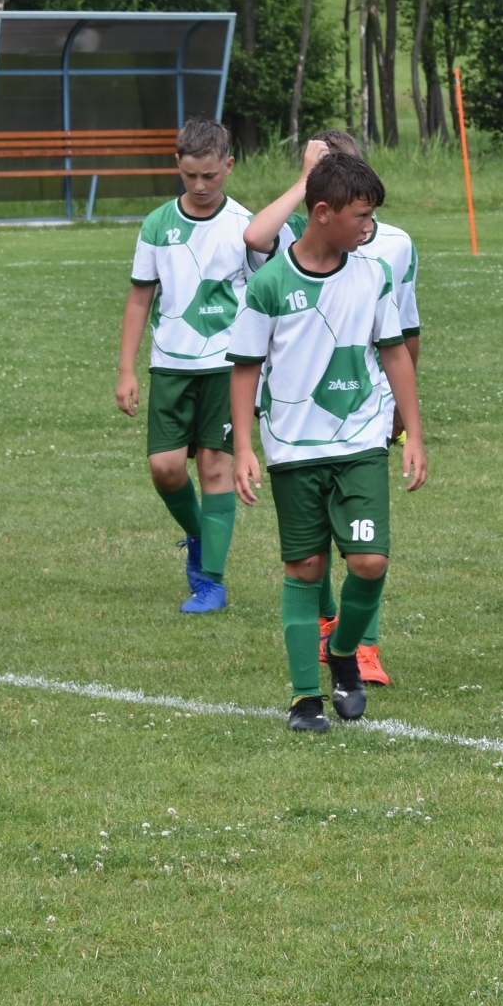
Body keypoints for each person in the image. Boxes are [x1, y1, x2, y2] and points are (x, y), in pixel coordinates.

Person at [228, 149, 427, 733]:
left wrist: (413, 431)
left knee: (369, 561)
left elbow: (395, 353)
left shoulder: (373, 274)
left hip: (360, 440)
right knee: (306, 568)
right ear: (322, 213)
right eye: (361, 216)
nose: (370, 226)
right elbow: (245, 368)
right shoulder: (269, 283)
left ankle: (343, 652)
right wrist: (244, 447)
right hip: (293, 449)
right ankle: (304, 697)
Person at [115, 118, 270, 614]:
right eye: (189, 176)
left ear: (229, 165)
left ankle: (211, 582)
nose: (200, 185)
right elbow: (140, 298)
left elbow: (265, 297)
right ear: (177, 166)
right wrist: (126, 369)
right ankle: (202, 535)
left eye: (210, 175)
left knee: (214, 466)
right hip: (171, 365)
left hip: (227, 366)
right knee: (164, 468)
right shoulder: (157, 224)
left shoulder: (246, 227)